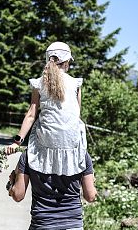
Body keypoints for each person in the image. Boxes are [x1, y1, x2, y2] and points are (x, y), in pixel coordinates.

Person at [6, 42, 87, 177]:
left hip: (46, 142)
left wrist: (16, 142)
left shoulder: (39, 83)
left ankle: (16, 176)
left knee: (38, 127)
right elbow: (77, 115)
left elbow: (31, 114)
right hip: (71, 144)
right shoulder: (76, 84)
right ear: (66, 62)